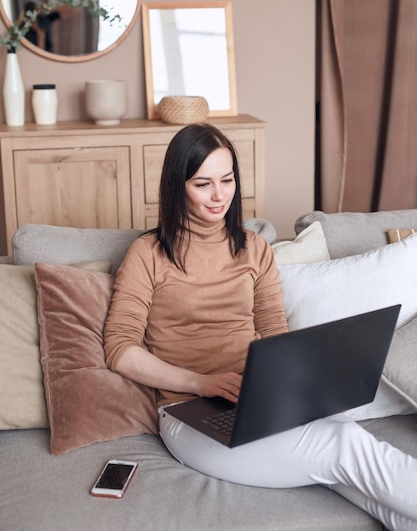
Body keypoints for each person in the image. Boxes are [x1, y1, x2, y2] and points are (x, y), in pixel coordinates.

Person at [104, 123, 417, 531]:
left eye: (227, 180)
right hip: (190, 413)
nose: (219, 196)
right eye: (203, 184)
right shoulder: (148, 254)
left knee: (363, 476)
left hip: (265, 398)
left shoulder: (254, 248)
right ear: (177, 186)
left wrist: (297, 385)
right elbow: (119, 348)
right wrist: (202, 383)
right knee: (347, 446)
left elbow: (273, 330)